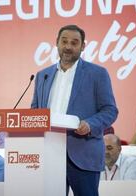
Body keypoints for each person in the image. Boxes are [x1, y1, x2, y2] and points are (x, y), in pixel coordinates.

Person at [31, 25, 118, 196]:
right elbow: (35, 110)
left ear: (83, 46)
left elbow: (110, 110)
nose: (68, 46)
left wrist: (90, 124)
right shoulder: (43, 75)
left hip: (82, 154)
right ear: (56, 43)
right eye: (64, 42)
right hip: (49, 153)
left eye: (74, 42)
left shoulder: (97, 74)